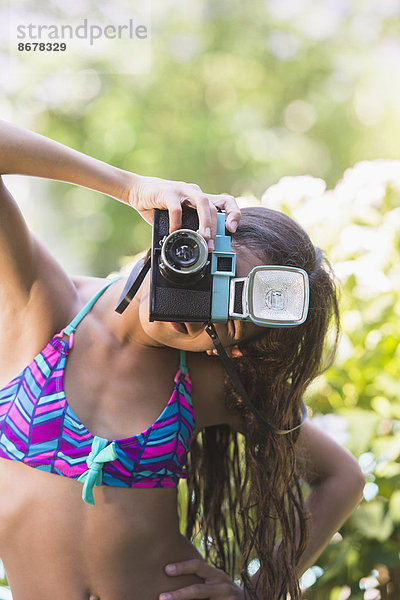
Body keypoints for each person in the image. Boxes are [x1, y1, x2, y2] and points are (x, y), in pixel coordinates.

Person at [0, 121, 365, 600]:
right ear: (184, 238)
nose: (205, 307)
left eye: (229, 315)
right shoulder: (45, 306)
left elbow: (343, 477)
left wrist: (258, 591)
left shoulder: (203, 382)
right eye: (212, 272)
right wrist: (129, 186)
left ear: (229, 350)